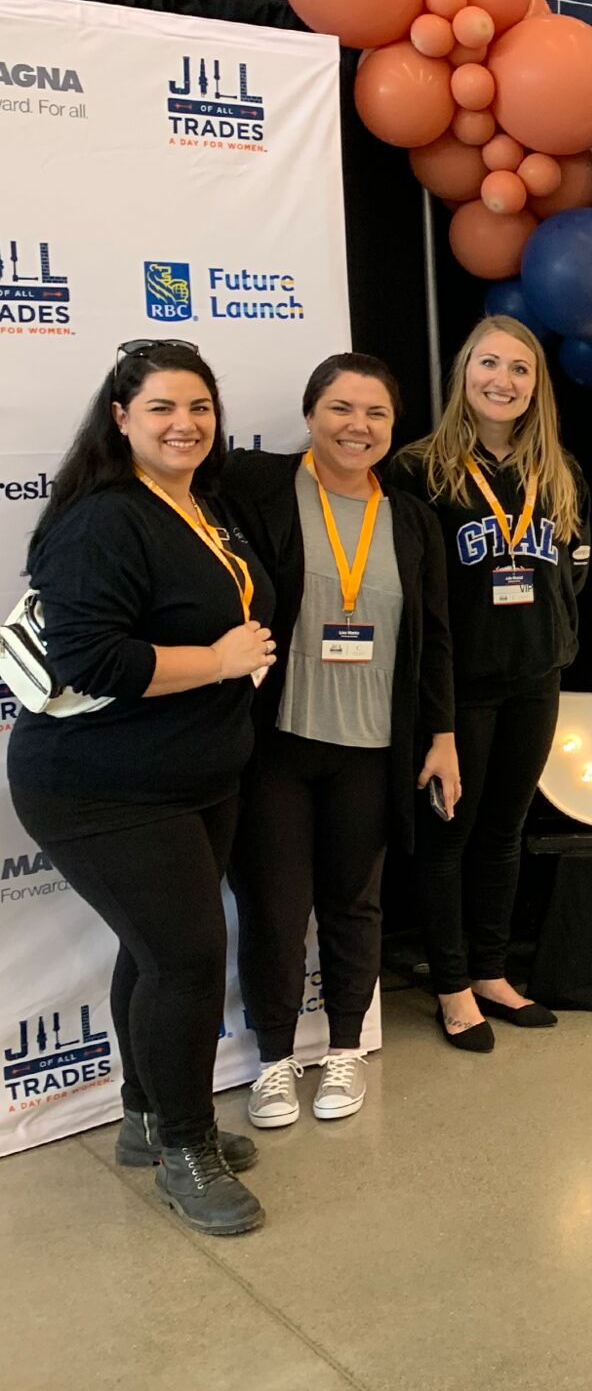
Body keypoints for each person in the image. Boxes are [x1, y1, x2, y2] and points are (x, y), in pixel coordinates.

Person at [7, 341, 276, 1235]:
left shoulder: (204, 508)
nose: (184, 423)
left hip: (197, 775)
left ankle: (144, 1115)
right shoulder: (105, 520)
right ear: (120, 418)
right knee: (188, 959)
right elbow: (94, 660)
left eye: (199, 406)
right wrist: (221, 658)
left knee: (155, 953)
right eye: (162, 407)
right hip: (101, 787)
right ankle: (185, 1149)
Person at [219, 355, 461, 1130]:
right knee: (276, 910)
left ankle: (348, 1047)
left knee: (355, 905)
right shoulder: (262, 490)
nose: (357, 426)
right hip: (279, 744)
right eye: (340, 408)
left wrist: (443, 733)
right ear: (310, 412)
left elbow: (435, 638)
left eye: (376, 413)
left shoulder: (413, 519)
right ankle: (276, 1061)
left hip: (372, 747)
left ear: (394, 427)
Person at [390, 316, 589, 1052]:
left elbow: (574, 570)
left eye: (520, 368)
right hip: (456, 689)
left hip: (535, 680)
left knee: (505, 830)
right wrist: (433, 707)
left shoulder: (559, 469)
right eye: (488, 363)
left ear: (537, 385)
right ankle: (449, 985)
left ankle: (491, 970)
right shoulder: (420, 469)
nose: (502, 380)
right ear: (463, 373)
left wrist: (554, 643)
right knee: (450, 837)